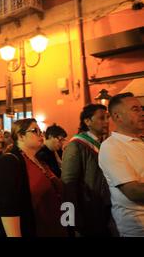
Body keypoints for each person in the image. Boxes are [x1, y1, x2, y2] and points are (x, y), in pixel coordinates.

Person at [0, 119, 66, 237]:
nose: (41, 134)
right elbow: (7, 207)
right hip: (26, 229)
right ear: (21, 136)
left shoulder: (40, 160)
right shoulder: (9, 162)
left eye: (41, 131)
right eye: (35, 131)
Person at [61, 104, 112, 236]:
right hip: (87, 212)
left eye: (107, 117)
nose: (107, 122)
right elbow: (68, 184)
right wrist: (71, 219)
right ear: (87, 121)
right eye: (102, 118)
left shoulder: (104, 144)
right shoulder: (76, 145)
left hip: (103, 210)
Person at [99, 92, 144, 237]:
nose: (142, 113)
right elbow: (133, 191)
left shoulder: (140, 142)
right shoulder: (111, 147)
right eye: (135, 109)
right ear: (117, 116)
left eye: (142, 108)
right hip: (138, 228)